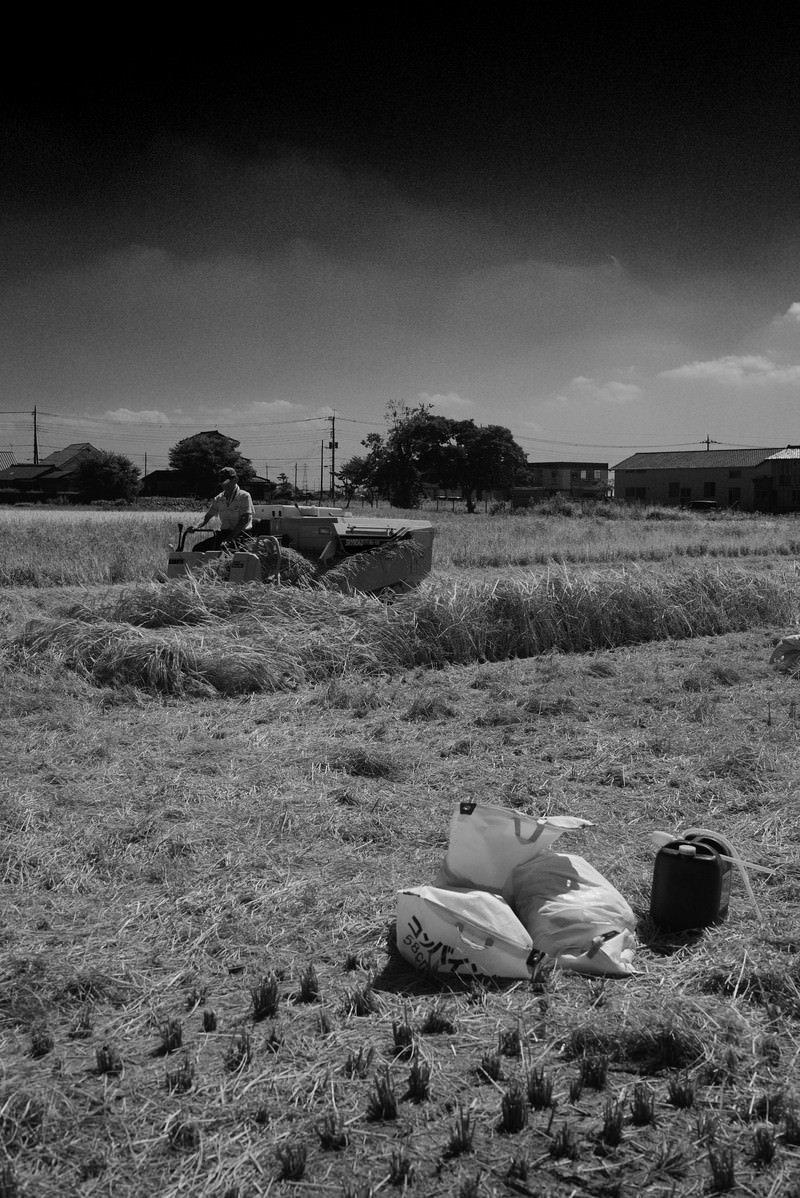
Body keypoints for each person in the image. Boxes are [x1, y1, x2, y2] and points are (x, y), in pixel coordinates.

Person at [192, 467, 255, 551]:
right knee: (198, 548)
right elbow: (207, 516)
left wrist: (229, 539)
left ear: (235, 479)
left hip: (241, 535)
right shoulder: (219, 498)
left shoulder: (244, 496)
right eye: (222, 482)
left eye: (227, 482)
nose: (224, 485)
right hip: (224, 534)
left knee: (224, 550)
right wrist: (196, 526)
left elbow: (244, 519)